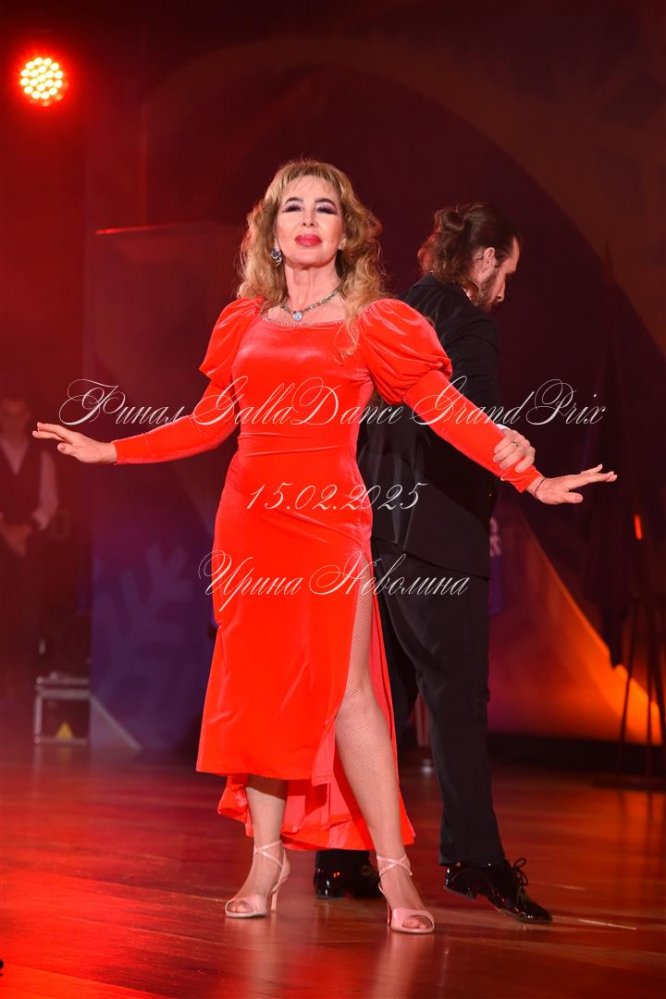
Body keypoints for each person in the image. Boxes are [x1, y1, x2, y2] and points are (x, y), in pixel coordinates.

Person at [34, 161, 615, 935]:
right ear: (272, 232)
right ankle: (265, 860)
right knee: (262, 689)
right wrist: (111, 452)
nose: (308, 220)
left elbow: (444, 407)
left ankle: (394, 870)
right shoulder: (243, 320)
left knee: (352, 696)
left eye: (325, 209)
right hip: (251, 522)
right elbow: (210, 421)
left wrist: (529, 474)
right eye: (294, 208)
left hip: (331, 521)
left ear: (347, 232)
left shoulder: (373, 322)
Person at [317, 204, 553, 922]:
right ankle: (474, 858)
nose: (506, 289)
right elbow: (467, 420)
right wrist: (519, 460)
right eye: (507, 271)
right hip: (439, 539)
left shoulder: (392, 310)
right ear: (482, 260)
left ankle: (341, 857)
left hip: (377, 534)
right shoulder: (470, 323)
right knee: (456, 703)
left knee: (377, 703)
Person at [0, 390, 58, 702]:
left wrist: (25, 530)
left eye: (18, 415)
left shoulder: (42, 456)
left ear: (27, 416)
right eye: (6, 415)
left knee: (26, 628)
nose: (12, 422)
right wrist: (5, 530)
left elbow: (49, 501)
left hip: (30, 552)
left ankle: (23, 706)